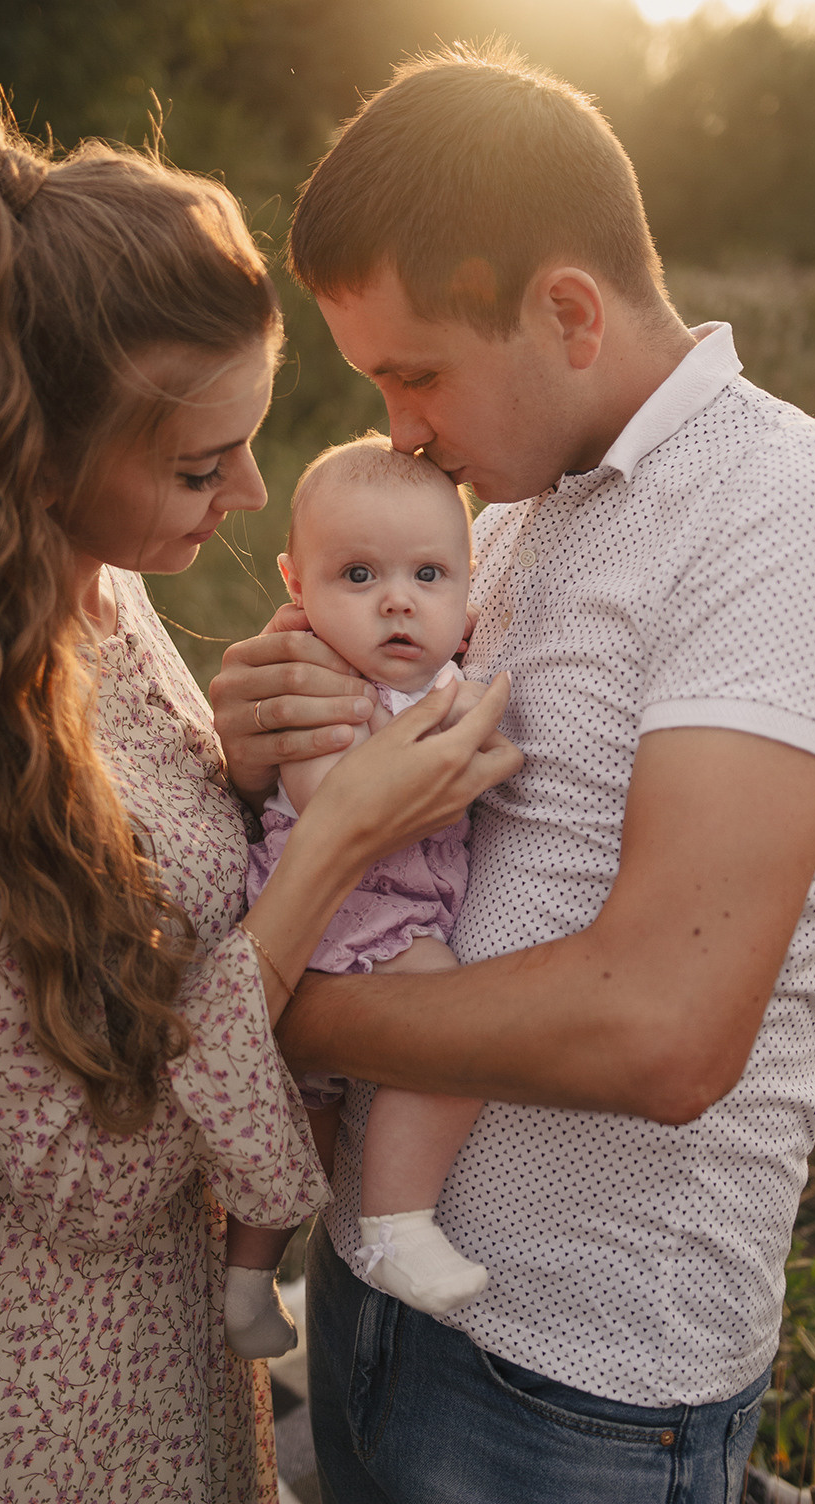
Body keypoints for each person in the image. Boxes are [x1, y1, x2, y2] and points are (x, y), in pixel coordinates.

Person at [210, 42, 815, 1504]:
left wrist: (271, 1004)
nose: (397, 428)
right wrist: (263, 744)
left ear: (566, 311)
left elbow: (663, 1030)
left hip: (575, 1391)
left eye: (415, 373)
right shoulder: (504, 509)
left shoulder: (791, 516)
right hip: (369, 1301)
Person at [0, 115, 520, 1504]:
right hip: (27, 1411)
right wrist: (327, 850)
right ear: (33, 458)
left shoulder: (105, 595)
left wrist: (254, 774)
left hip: (183, 1369)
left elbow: (137, 893)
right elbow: (80, 1173)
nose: (253, 497)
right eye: (202, 466)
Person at [226, 435, 491, 1361]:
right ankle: (396, 1224)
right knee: (455, 1029)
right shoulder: (321, 683)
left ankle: (248, 1283)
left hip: (368, 912)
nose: (396, 600)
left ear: (469, 591)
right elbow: (323, 803)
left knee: (308, 1117)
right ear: (298, 586)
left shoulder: (444, 681)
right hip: (347, 913)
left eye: (428, 573)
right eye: (358, 574)